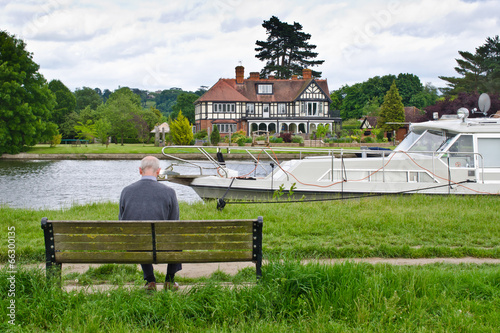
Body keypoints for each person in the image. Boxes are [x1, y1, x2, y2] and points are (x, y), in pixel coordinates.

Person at [119, 156, 182, 291]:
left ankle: (150, 281)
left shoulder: (126, 191)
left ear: (140, 171)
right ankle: (170, 280)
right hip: (162, 245)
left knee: (140, 236)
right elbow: (174, 223)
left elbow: (121, 221)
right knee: (176, 237)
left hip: (136, 246)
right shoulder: (169, 192)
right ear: (158, 171)